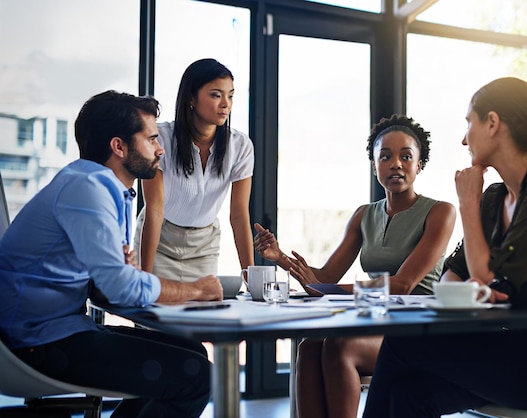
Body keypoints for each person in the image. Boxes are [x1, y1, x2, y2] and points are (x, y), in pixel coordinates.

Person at [362, 77, 527, 418]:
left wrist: (467, 205)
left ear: (492, 123)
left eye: (469, 123)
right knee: (410, 392)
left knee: (402, 343)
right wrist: (475, 285)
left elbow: (491, 279)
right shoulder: (494, 199)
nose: (463, 138)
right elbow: (453, 274)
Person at [0, 90, 224, 418]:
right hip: (36, 342)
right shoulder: (87, 188)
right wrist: (197, 290)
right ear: (118, 147)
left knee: (189, 351)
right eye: (151, 140)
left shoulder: (109, 189)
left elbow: (107, 285)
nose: (160, 149)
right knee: (196, 376)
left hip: (60, 330)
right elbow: (120, 287)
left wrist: (122, 276)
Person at [254, 114, 457, 418]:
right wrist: (280, 257)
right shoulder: (364, 215)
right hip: (376, 324)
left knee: (339, 347)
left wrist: (327, 290)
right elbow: (323, 278)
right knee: (309, 348)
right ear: (375, 164)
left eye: (406, 156)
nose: (396, 164)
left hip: (418, 333)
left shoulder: (441, 212)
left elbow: (402, 285)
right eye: (385, 156)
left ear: (420, 164)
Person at [135, 58, 255, 281]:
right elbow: (154, 210)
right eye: (216, 95)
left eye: (230, 95)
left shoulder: (240, 146)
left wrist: (252, 280)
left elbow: (239, 216)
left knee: (202, 312)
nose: (225, 104)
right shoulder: (160, 139)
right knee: (153, 312)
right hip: (160, 240)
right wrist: (144, 278)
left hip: (204, 246)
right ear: (191, 98)